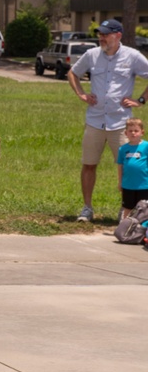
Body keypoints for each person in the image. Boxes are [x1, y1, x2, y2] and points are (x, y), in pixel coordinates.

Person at [67, 18, 148, 222]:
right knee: (89, 164)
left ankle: (126, 210)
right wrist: (81, 94)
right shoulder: (91, 55)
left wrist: (140, 100)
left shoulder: (132, 56)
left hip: (121, 123)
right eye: (100, 34)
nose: (101, 37)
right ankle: (87, 208)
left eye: (105, 34)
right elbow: (73, 73)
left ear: (118, 35)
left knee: (128, 167)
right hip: (95, 121)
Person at [117, 118, 148, 220]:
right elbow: (120, 166)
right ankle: (126, 229)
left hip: (144, 184)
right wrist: (120, 182)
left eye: (136, 131)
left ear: (142, 132)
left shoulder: (146, 146)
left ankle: (144, 230)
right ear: (126, 133)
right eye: (130, 131)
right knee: (128, 208)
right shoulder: (123, 149)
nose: (133, 133)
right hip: (128, 185)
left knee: (144, 209)